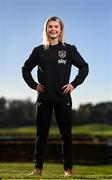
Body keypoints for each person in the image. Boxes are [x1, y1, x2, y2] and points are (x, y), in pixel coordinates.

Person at [22, 16, 89, 177]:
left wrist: (73, 84)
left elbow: (84, 67)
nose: (53, 29)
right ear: (46, 29)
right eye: (50, 27)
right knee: (41, 136)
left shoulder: (69, 49)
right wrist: (34, 85)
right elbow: (25, 69)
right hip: (44, 99)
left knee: (66, 136)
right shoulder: (39, 50)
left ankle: (68, 170)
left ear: (61, 30)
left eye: (56, 27)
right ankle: (38, 169)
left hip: (63, 99)